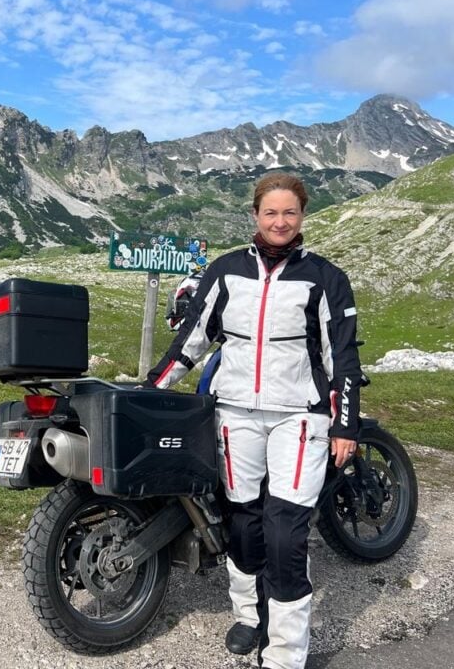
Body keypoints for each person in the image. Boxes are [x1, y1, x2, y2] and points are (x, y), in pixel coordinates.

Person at [143, 172, 365, 669]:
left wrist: (345, 426)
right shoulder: (226, 271)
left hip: (299, 418)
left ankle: (285, 653)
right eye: (271, 212)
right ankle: (249, 615)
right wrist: (151, 390)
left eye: (289, 212)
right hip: (234, 414)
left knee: (285, 533)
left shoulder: (326, 277)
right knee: (242, 525)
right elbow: (192, 340)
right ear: (255, 215)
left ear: (302, 215)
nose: (280, 222)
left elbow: (343, 359)